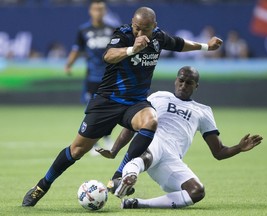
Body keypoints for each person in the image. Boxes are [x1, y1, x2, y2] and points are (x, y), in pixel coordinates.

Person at [22, 6, 222, 207]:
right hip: (108, 101)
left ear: (155, 26)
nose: (140, 33)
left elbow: (180, 44)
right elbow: (108, 56)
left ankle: (118, 176)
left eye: (145, 29)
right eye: (137, 28)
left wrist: (206, 47)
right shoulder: (123, 34)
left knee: (150, 120)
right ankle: (41, 186)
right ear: (132, 24)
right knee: (76, 150)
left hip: (134, 103)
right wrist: (132, 49)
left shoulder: (159, 38)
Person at [98, 66, 263, 208]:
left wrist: (239, 148)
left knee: (197, 192)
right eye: (181, 80)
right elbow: (132, 127)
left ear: (196, 86)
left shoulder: (203, 111)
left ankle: (136, 203)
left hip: (171, 159)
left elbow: (218, 152)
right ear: (176, 81)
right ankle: (128, 176)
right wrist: (114, 150)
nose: (183, 85)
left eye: (189, 83)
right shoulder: (158, 97)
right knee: (148, 150)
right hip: (154, 142)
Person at [65, 0, 115, 155]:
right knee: (92, 110)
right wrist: (69, 64)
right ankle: (94, 143)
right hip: (92, 77)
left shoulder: (112, 30)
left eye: (101, 9)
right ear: (90, 11)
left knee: (111, 109)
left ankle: (107, 138)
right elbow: (77, 49)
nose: (98, 12)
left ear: (105, 11)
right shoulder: (84, 30)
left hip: (110, 76)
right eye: (95, 9)